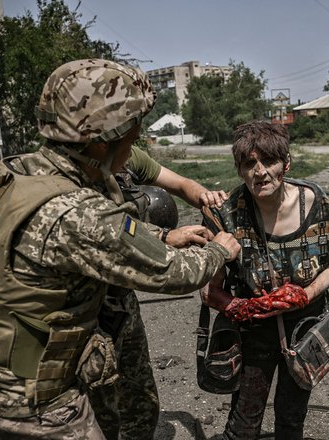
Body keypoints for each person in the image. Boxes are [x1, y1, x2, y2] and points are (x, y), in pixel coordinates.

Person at [0, 58, 240, 440]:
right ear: (102, 138)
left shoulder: (16, 172)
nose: (138, 138)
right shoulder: (79, 212)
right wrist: (220, 251)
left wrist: (161, 235)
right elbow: (173, 273)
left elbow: (75, 238)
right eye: (133, 127)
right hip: (25, 397)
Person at [201, 121, 329, 440]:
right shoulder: (225, 216)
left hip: (306, 327)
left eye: (269, 161)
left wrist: (305, 294)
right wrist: (238, 306)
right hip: (254, 330)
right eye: (249, 163)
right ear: (239, 169)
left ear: (286, 163)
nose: (261, 172)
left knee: (292, 418)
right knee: (243, 424)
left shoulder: (314, 201)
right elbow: (210, 291)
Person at [90, 144, 229, 440]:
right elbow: (170, 274)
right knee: (98, 412)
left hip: (122, 302)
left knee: (141, 404)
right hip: (86, 315)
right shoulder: (76, 176)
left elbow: (179, 184)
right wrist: (215, 251)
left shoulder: (126, 152)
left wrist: (204, 196)